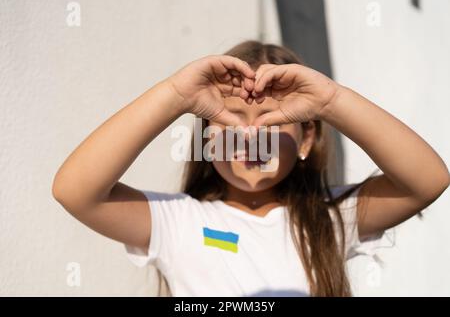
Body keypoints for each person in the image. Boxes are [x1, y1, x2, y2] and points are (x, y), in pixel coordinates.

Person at [52, 40, 449, 296]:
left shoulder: (329, 218)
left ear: (308, 139)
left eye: (274, 122)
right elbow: (74, 191)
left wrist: (330, 102)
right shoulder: (178, 222)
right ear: (208, 138)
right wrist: (175, 95)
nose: (251, 135)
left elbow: (428, 180)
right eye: (232, 119)